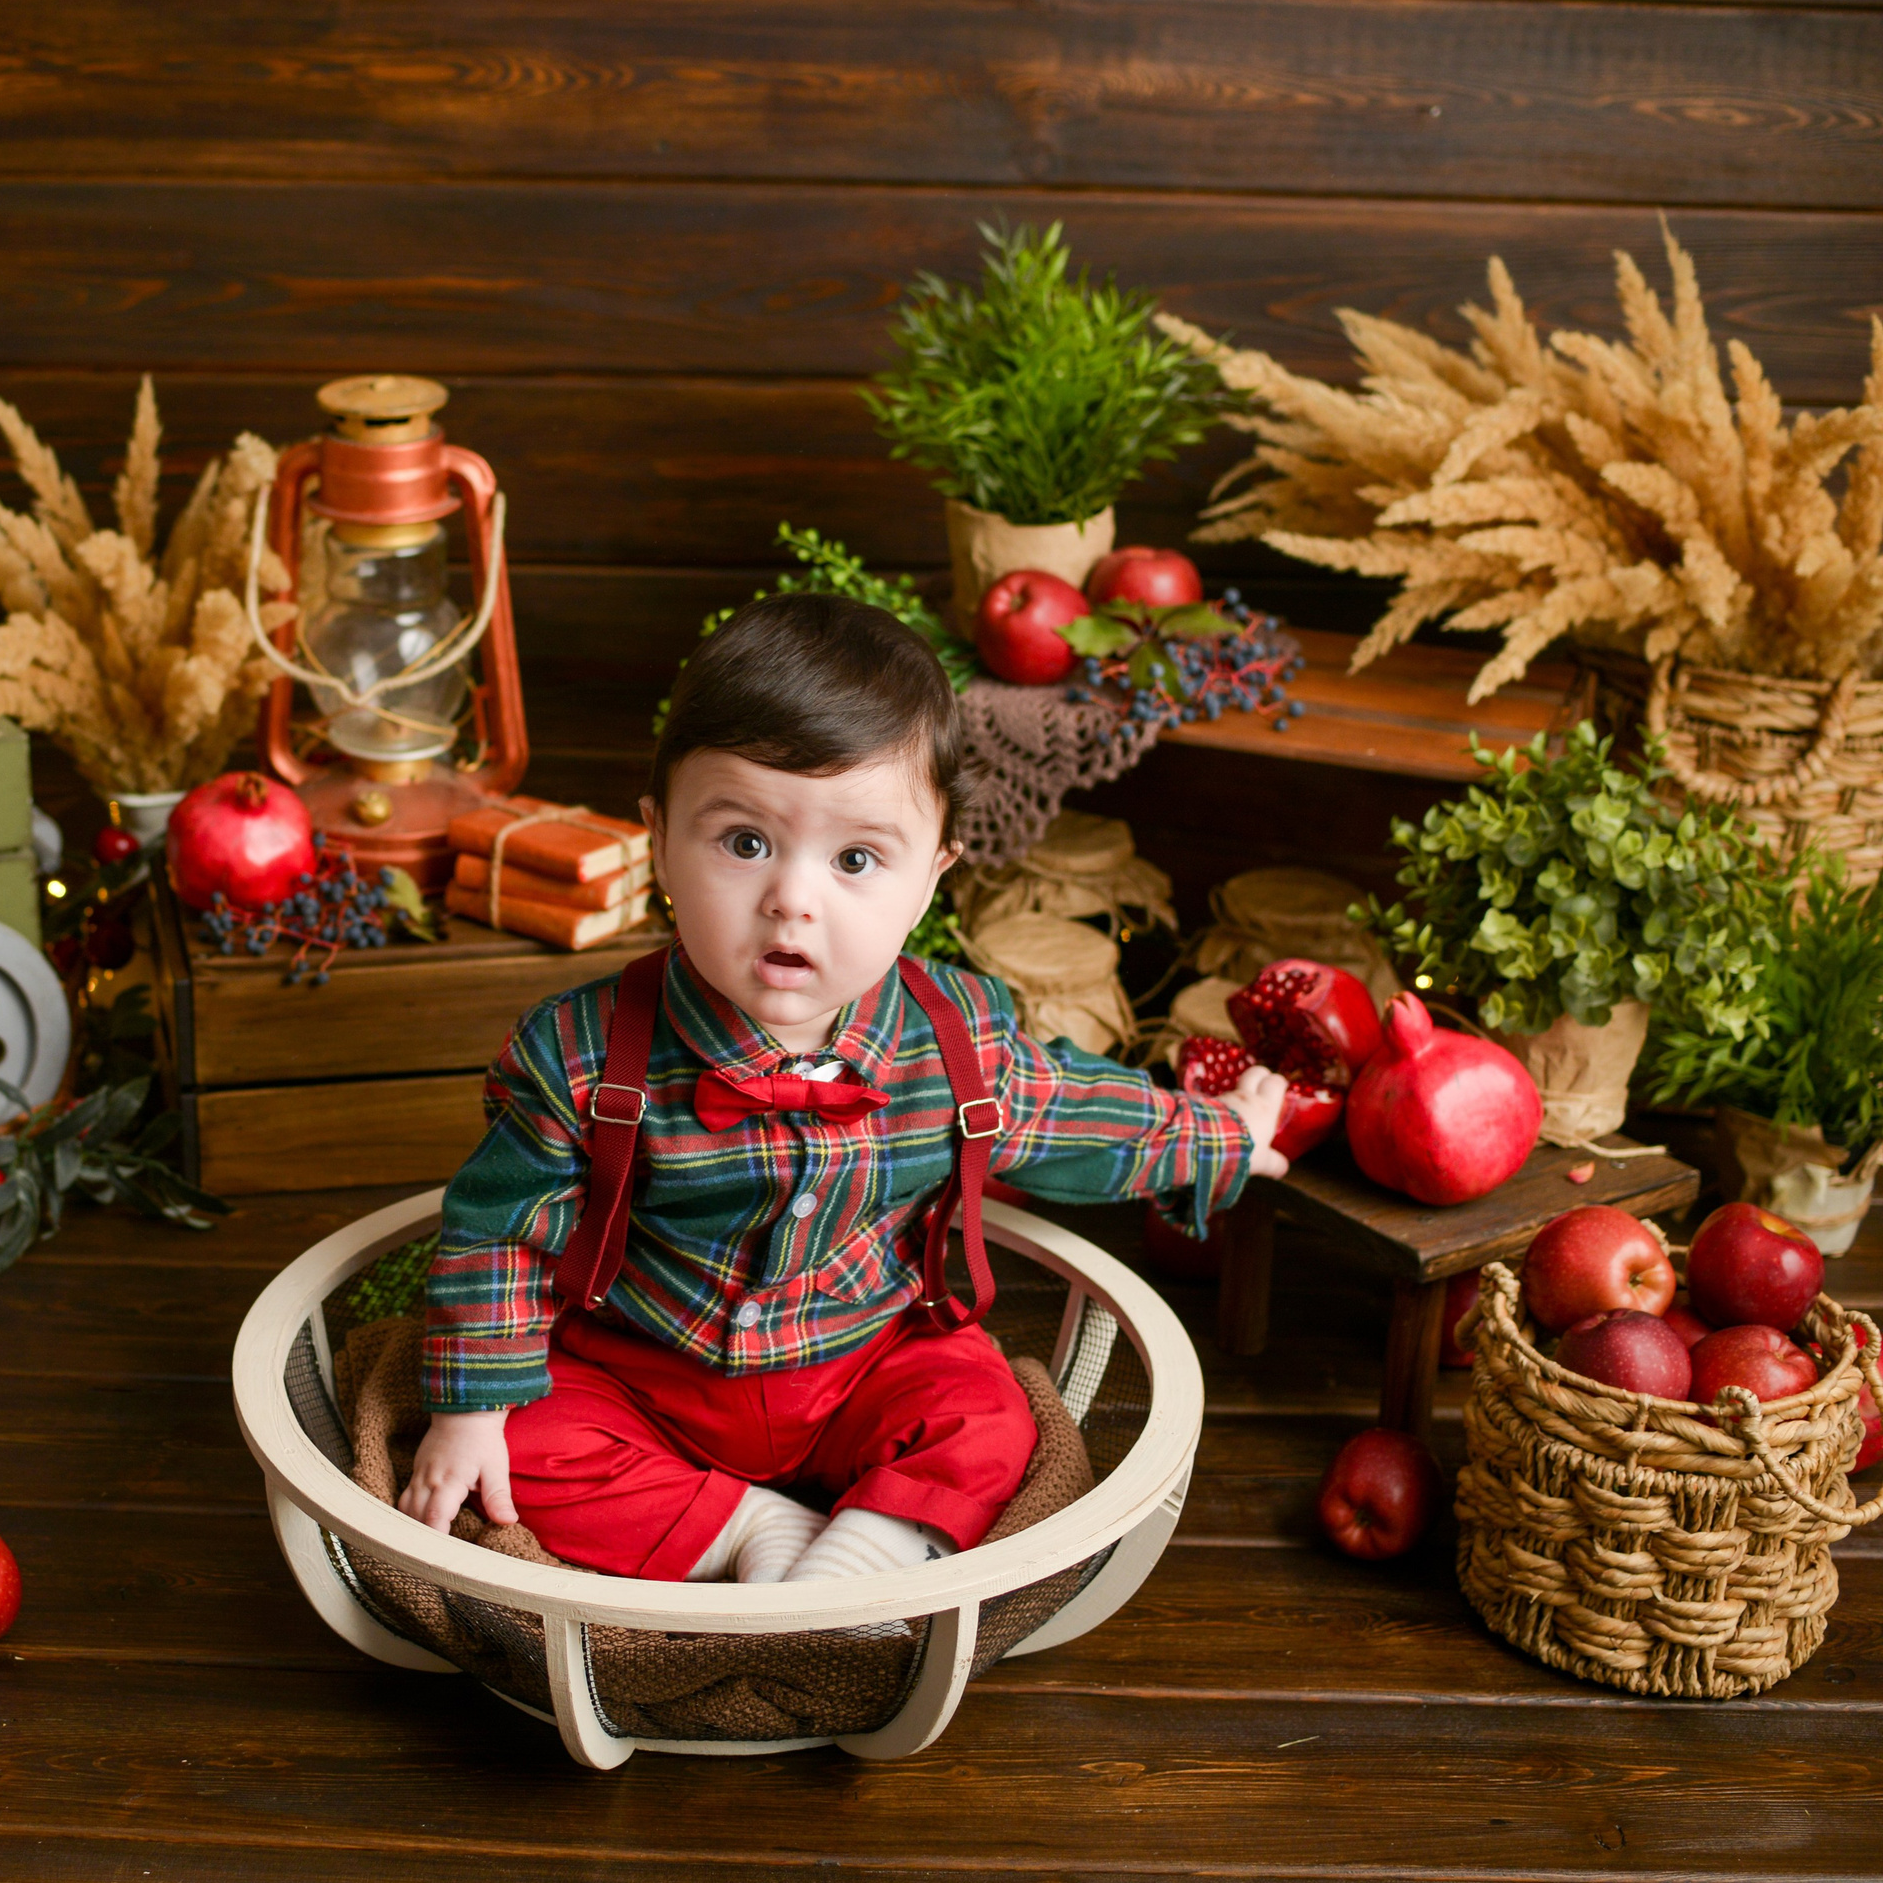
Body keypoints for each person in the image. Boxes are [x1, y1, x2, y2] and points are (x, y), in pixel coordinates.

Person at [398, 592, 1288, 1585]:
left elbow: (1077, 1114)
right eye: (743, 842)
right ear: (657, 839)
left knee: (989, 1412)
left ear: (931, 877)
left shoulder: (956, 1041)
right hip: (640, 1368)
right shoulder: (580, 1053)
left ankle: (868, 1549)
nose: (791, 898)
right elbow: (498, 1230)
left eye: (856, 859)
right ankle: (747, 1532)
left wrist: (1218, 1138)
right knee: (513, 1446)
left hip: (861, 1362)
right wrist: (470, 1407)